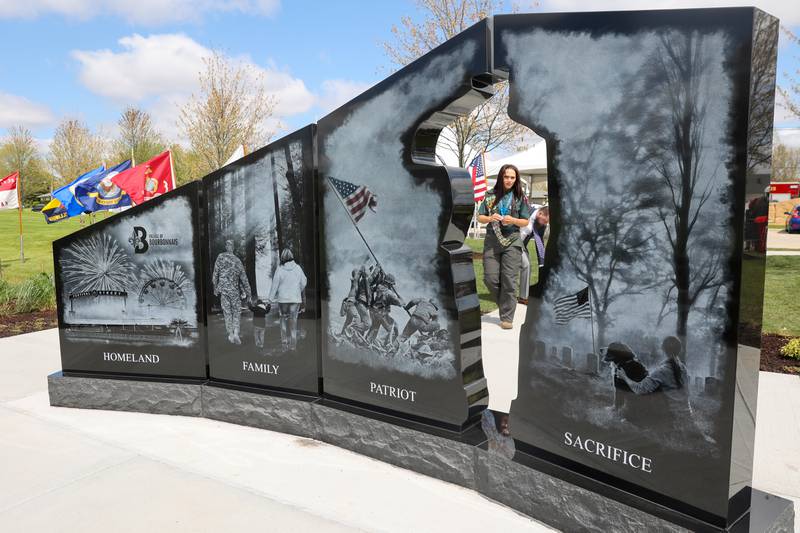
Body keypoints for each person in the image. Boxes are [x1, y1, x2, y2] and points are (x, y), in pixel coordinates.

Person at [476, 164, 532, 329]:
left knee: (509, 280)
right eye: (506, 176)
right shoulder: (489, 195)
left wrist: (513, 220)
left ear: (516, 180)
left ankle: (507, 317)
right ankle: (506, 303)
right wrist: (490, 218)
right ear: (501, 177)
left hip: (512, 241)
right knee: (490, 278)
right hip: (492, 241)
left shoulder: (520, 197)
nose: (509, 180)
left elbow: (525, 221)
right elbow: (480, 217)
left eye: (512, 177)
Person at [212, 239, 251, 344]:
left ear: (226, 246)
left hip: (224, 290)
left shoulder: (220, 257)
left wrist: (215, 287)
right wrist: (248, 293)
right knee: (236, 312)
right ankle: (236, 333)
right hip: (234, 291)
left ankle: (230, 334)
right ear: (233, 247)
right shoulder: (237, 261)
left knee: (227, 312)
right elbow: (244, 278)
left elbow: (215, 274)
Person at [269, 248, 307, 351]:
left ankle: (284, 344)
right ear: (291, 256)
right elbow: (304, 282)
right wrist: (297, 290)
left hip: (283, 300)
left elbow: (275, 285)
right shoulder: (298, 268)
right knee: (293, 322)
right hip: (295, 299)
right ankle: (293, 346)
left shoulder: (280, 269)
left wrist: (270, 299)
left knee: (283, 321)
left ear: (282, 257)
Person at [518, 205, 549, 304]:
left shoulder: (541, 225)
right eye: (545, 221)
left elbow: (539, 243)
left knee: (527, 265)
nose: (545, 224)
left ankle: (523, 297)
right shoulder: (524, 210)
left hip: (521, 245)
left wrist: (542, 264)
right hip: (509, 241)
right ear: (540, 214)